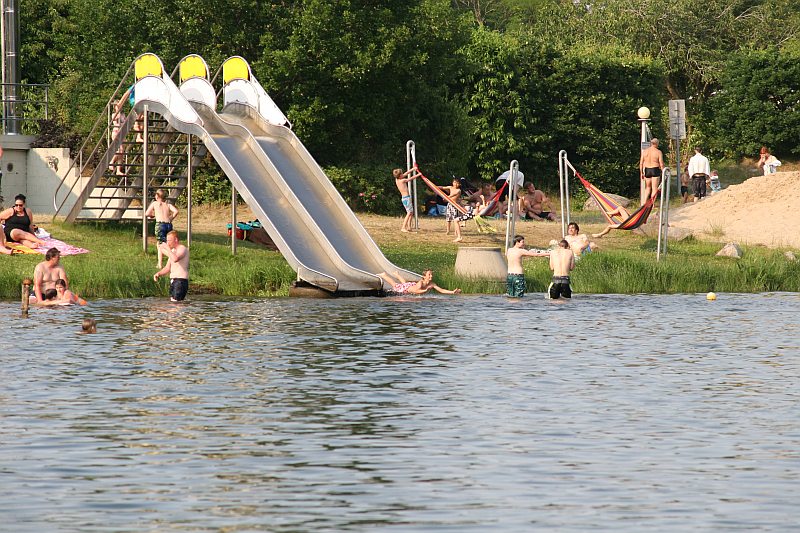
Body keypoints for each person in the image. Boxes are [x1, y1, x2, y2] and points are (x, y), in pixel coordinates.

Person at [145, 189, 180, 268]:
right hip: (168, 225)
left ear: (157, 196)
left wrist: (151, 215)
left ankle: (172, 256)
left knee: (161, 244)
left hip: (160, 225)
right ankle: (159, 264)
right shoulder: (168, 205)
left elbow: (147, 213)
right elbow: (176, 211)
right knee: (160, 244)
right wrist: (170, 218)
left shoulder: (155, 203)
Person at [153, 230, 190, 302]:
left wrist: (167, 249)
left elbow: (175, 259)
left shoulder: (182, 248)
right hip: (174, 281)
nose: (168, 242)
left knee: (174, 305)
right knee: (174, 305)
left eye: (169, 240)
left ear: (176, 240)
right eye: (167, 240)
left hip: (180, 281)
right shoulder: (173, 252)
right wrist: (158, 274)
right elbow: (167, 268)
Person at [378, 269, 461, 295]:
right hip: (407, 289)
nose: (431, 276)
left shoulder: (432, 283)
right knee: (395, 285)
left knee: (404, 283)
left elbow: (441, 290)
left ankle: (397, 274)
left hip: (410, 286)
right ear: (425, 277)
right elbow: (415, 291)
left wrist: (452, 292)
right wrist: (425, 290)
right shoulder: (421, 283)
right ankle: (384, 275)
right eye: (429, 275)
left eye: (431, 274)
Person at [393, 167, 420, 232]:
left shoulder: (397, 180)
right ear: (400, 176)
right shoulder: (402, 180)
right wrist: (418, 175)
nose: (403, 174)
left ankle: (409, 227)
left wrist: (413, 169)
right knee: (409, 212)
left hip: (405, 198)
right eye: (402, 174)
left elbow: (406, 173)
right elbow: (410, 178)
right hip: (406, 198)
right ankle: (403, 227)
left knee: (411, 212)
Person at [639, 138, 665, 204]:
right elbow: (661, 164)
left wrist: (641, 172)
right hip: (655, 169)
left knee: (647, 187)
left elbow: (641, 163)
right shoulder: (658, 152)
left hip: (647, 170)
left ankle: (644, 203)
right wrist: (663, 172)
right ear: (656, 144)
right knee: (654, 188)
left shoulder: (645, 151)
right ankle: (652, 204)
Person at [440, 178, 464, 242]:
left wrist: (447, 197)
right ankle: (448, 230)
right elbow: (442, 187)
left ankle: (456, 232)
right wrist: (435, 186)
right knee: (448, 218)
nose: (455, 184)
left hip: (454, 205)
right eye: (454, 182)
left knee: (455, 219)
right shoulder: (450, 187)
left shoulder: (458, 190)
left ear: (459, 184)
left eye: (457, 183)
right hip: (449, 204)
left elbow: (453, 195)